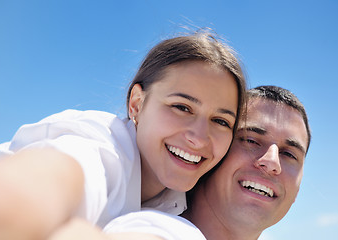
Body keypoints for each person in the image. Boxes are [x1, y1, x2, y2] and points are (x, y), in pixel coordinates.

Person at [0, 30, 246, 240]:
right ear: (136, 104)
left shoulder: (178, 204)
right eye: (181, 107)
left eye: (221, 121)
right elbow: (49, 178)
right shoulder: (101, 145)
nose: (199, 138)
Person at [94, 85, 311, 240]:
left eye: (290, 154)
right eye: (251, 140)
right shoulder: (158, 229)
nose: (272, 161)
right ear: (213, 154)